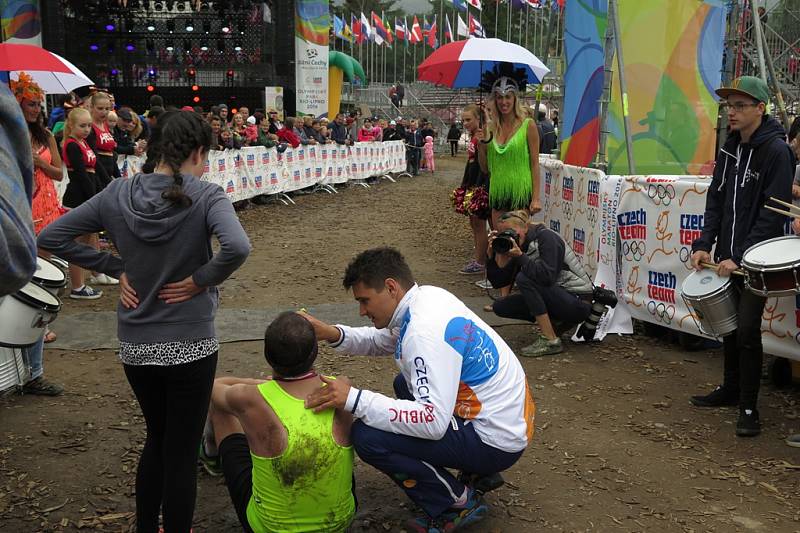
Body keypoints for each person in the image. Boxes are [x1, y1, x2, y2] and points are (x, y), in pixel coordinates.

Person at [39, 110, 251, 531]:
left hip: (137, 342)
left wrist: (114, 266)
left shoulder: (117, 193)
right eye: (205, 155)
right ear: (196, 151)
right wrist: (198, 281)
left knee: (157, 437)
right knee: (182, 449)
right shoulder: (207, 196)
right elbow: (238, 247)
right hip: (191, 340)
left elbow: (50, 237)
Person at [302, 247, 535, 533]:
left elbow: (432, 422)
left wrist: (354, 399)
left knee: (367, 437)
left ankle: (457, 503)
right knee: (405, 383)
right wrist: (333, 333)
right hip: (505, 418)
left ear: (390, 287)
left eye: (365, 301)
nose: (362, 311)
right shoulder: (426, 297)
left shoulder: (424, 333)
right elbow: (385, 341)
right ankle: (476, 470)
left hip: (496, 439)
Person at [690, 76, 794, 437]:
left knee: (748, 329)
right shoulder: (730, 147)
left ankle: (749, 406)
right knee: (730, 327)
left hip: (757, 262)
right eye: (728, 106)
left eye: (739, 106)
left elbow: (772, 214)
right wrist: (704, 242)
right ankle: (731, 389)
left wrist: (742, 257)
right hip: (728, 257)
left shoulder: (778, 152)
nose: (731, 112)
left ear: (760, 109)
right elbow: (716, 199)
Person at [199, 312, 356, 532]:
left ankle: (211, 456)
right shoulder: (339, 390)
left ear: (268, 357)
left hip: (270, 528)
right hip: (338, 523)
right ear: (315, 353)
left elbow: (213, 387)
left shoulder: (251, 398)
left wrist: (259, 383)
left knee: (222, 409)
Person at [486, 211, 602, 356]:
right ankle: (557, 322)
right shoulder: (519, 246)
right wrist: (492, 256)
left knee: (525, 278)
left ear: (525, 228)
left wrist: (521, 257)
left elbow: (547, 277)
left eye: (511, 232)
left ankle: (550, 340)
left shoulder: (547, 237)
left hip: (578, 301)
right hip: (557, 295)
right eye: (502, 233)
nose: (509, 237)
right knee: (501, 306)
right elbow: (499, 281)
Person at [477, 64, 542, 229]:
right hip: (498, 192)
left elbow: (535, 164)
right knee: (499, 242)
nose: (503, 102)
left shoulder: (528, 125)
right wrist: (482, 144)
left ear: (515, 99)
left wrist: (535, 198)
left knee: (517, 242)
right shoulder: (490, 128)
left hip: (520, 193)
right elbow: (485, 169)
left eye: (508, 97)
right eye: (499, 97)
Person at [60, 107, 105, 300]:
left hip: (86, 196)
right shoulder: (72, 145)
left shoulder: (83, 142)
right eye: (82, 126)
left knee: (87, 240)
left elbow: (95, 170)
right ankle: (77, 286)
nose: (87, 129)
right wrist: (94, 198)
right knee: (76, 243)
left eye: (89, 125)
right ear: (71, 125)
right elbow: (80, 174)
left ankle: (90, 278)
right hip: (78, 198)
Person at [456, 105, 491, 276]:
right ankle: (479, 257)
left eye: (469, 119)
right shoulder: (473, 136)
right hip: (471, 179)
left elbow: (485, 164)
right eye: (463, 120)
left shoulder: (484, 135)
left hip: (481, 181)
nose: (465, 123)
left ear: (479, 118)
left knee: (479, 223)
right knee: (474, 222)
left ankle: (480, 262)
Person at [86, 92, 117, 185]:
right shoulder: (90, 128)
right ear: (91, 107)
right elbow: (95, 159)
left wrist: (119, 177)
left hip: (108, 174)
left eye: (107, 109)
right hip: (97, 178)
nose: (104, 112)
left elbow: (111, 154)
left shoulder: (105, 125)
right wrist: (107, 180)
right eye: (100, 108)